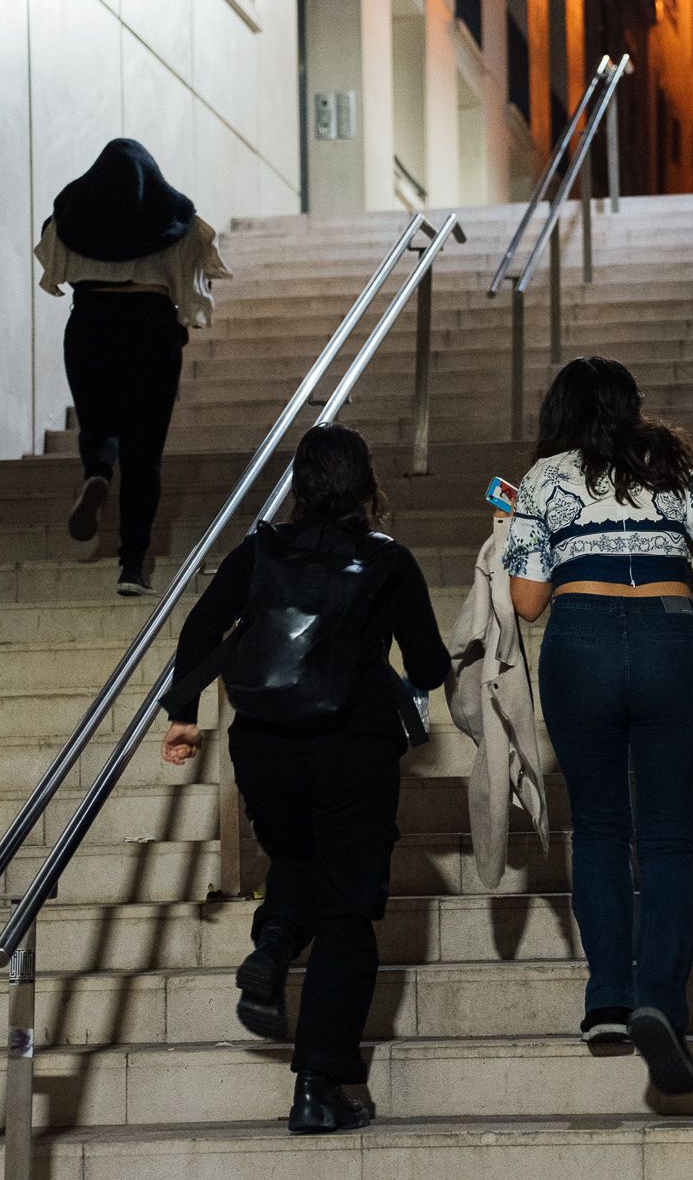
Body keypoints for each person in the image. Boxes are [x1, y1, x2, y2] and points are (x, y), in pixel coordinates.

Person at [158, 424, 448, 1135]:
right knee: (348, 914)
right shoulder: (388, 560)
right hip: (354, 746)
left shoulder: (258, 551)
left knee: (297, 856)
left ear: (298, 488)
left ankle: (278, 937)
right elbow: (429, 665)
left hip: (265, 750)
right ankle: (318, 1087)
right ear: (366, 487)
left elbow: (199, 629)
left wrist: (185, 715)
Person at [502, 356, 693, 1097]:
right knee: (670, 839)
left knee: (602, 828)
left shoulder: (543, 478)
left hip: (579, 639)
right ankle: (661, 1005)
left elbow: (525, 602)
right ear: (632, 407)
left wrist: (520, 532)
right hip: (669, 638)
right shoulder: (671, 462)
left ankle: (608, 996)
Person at [36, 138, 232, 594]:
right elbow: (195, 300)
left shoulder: (72, 216)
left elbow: (52, 269)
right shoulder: (179, 221)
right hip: (151, 330)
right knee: (144, 457)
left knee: (98, 423)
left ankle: (98, 472)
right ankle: (132, 567)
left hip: (88, 325)